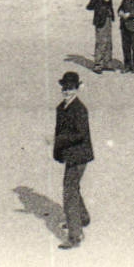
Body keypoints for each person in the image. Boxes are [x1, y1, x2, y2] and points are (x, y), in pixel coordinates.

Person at [52, 71, 94, 249]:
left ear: (77, 89)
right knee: (72, 186)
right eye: (64, 88)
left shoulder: (80, 109)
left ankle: (75, 235)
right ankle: (82, 218)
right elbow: (59, 130)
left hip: (79, 155)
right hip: (70, 154)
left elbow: (80, 134)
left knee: (69, 191)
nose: (66, 91)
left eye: (70, 88)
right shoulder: (61, 107)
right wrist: (58, 151)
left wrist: (58, 141)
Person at [86, 0, 116, 72]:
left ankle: (108, 63)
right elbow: (89, 7)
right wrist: (99, 8)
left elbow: (110, 4)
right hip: (100, 20)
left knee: (108, 41)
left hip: (108, 19)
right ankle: (98, 65)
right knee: (100, 42)